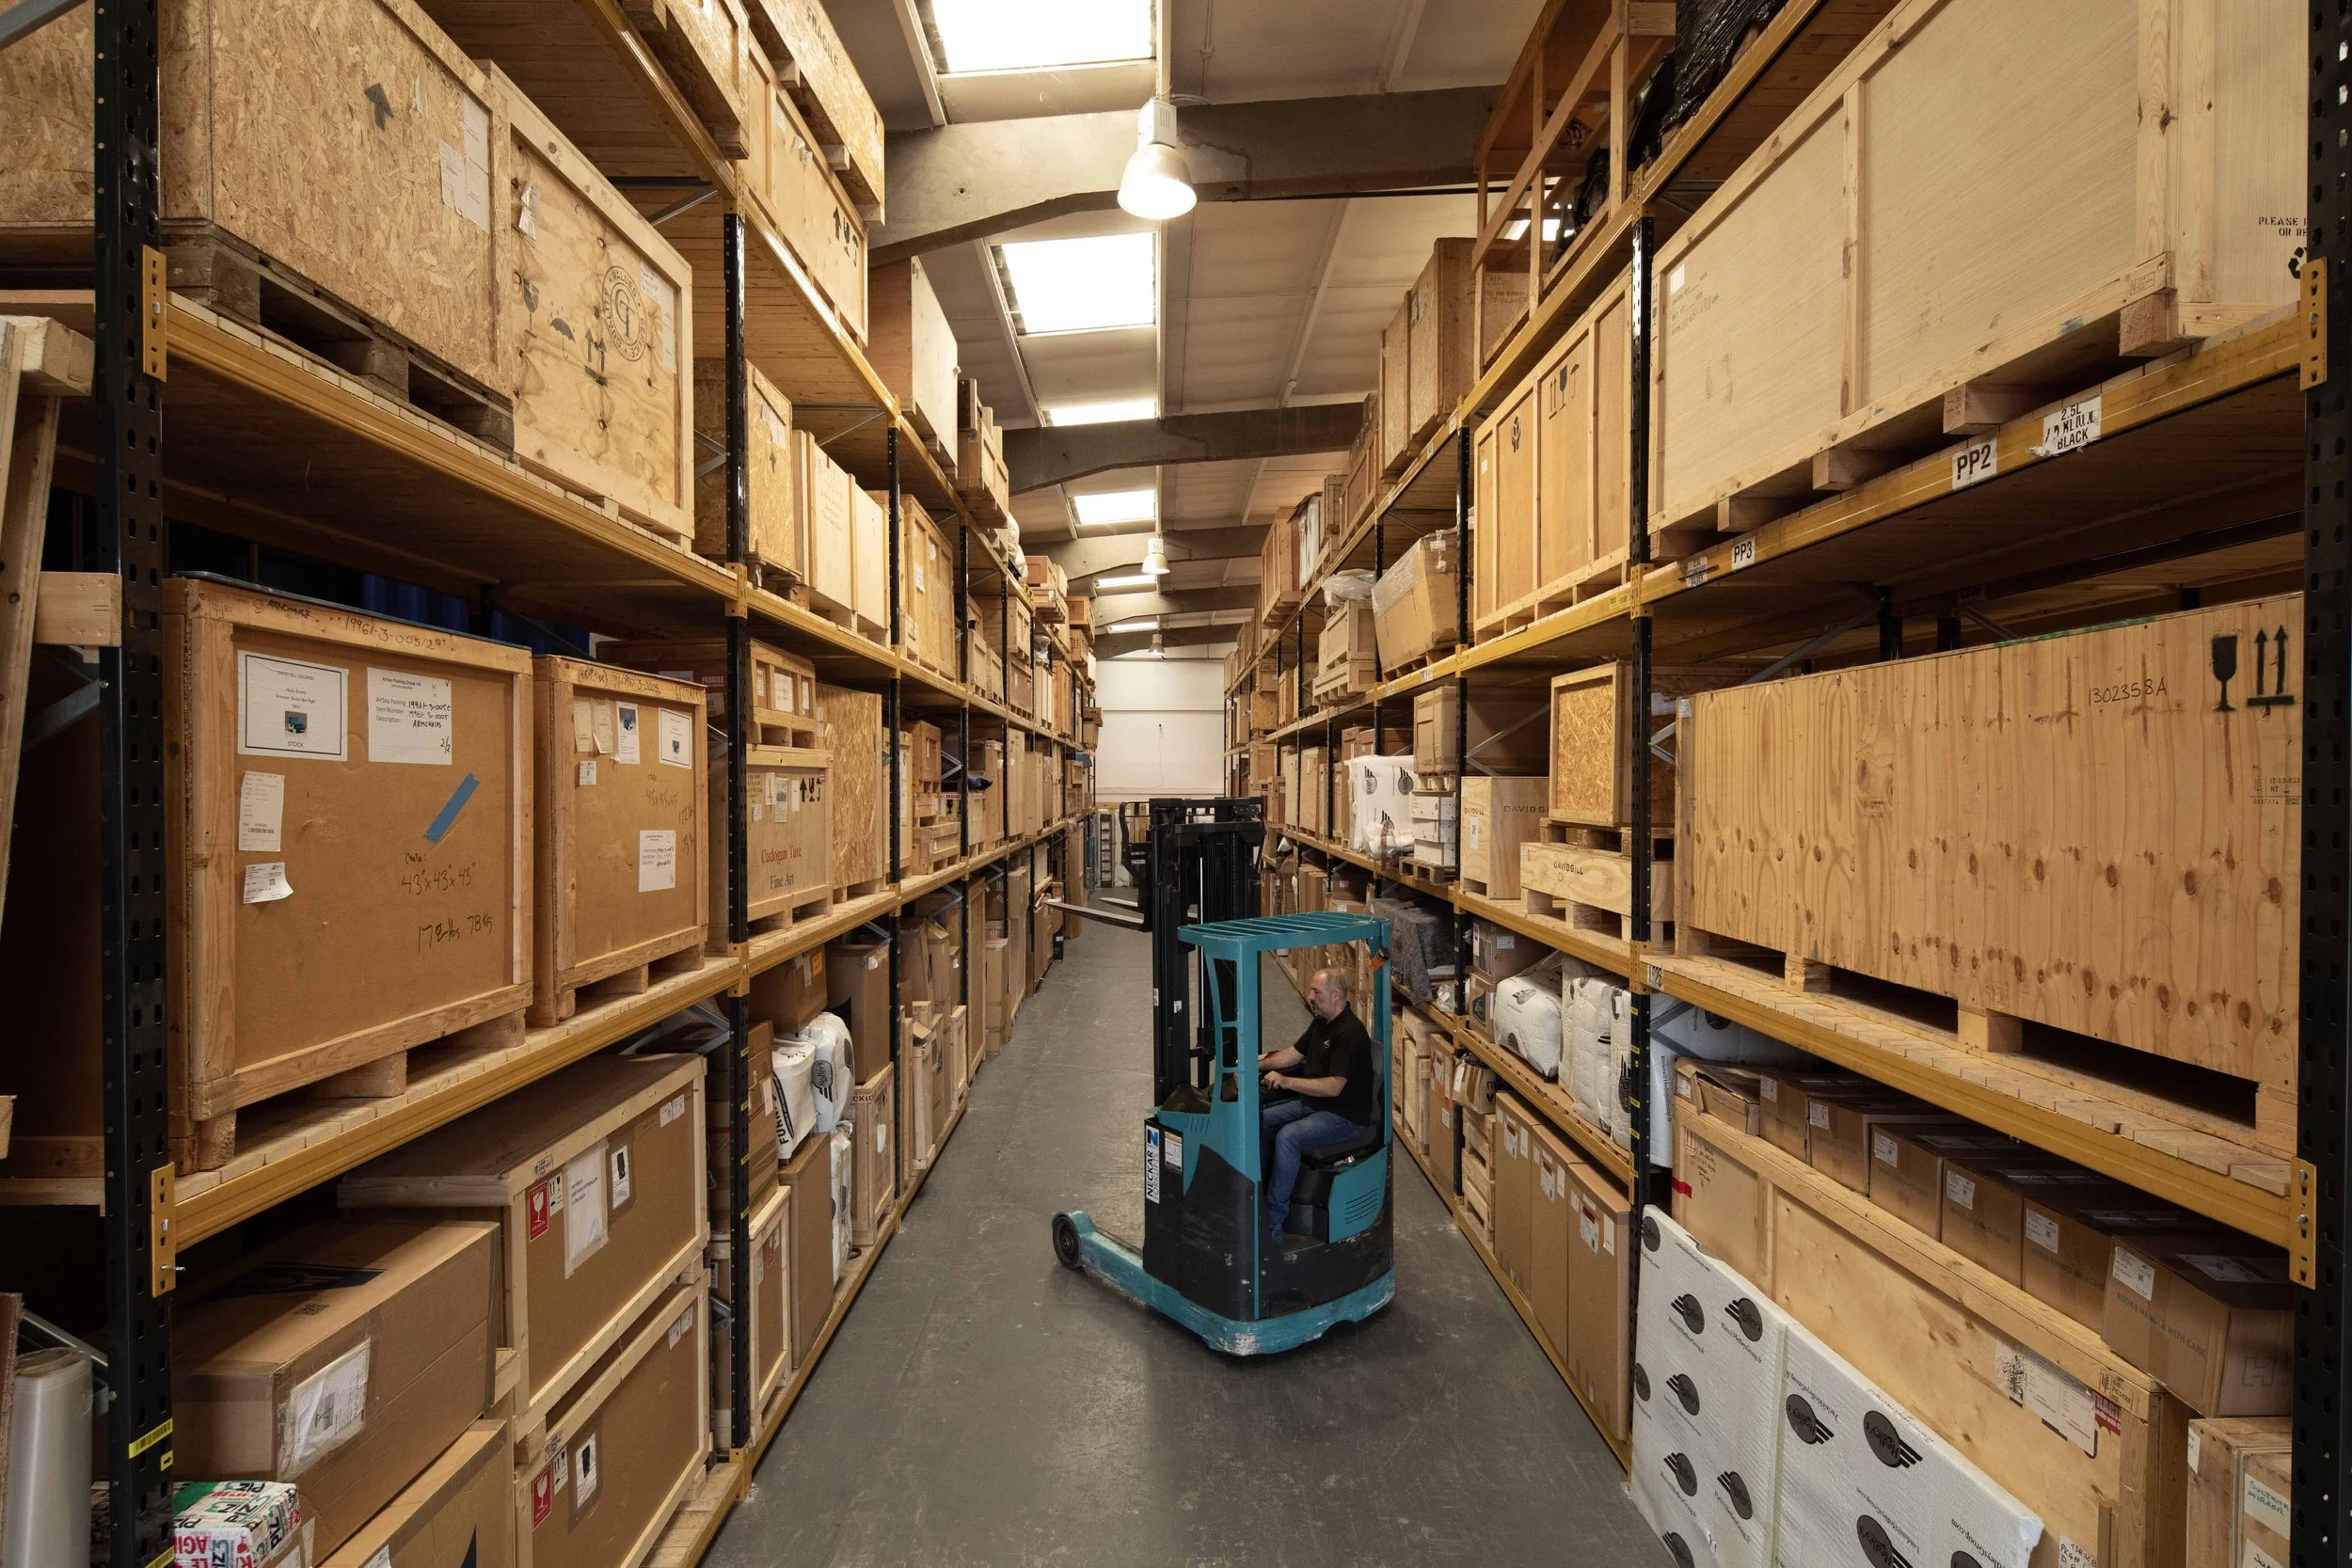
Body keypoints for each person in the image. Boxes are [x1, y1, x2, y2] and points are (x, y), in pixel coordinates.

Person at [1258, 968, 1377, 1246]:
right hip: (1315, 1105)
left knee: (1288, 1137)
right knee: (1259, 1121)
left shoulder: (1349, 1033)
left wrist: (1286, 1081)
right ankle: (1256, 1196)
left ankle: (1273, 1223)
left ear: (1335, 996)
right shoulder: (1322, 1020)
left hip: (1343, 1116)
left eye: (1316, 992)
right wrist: (1256, 1065)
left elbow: (1334, 1087)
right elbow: (1293, 1053)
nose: (1310, 996)